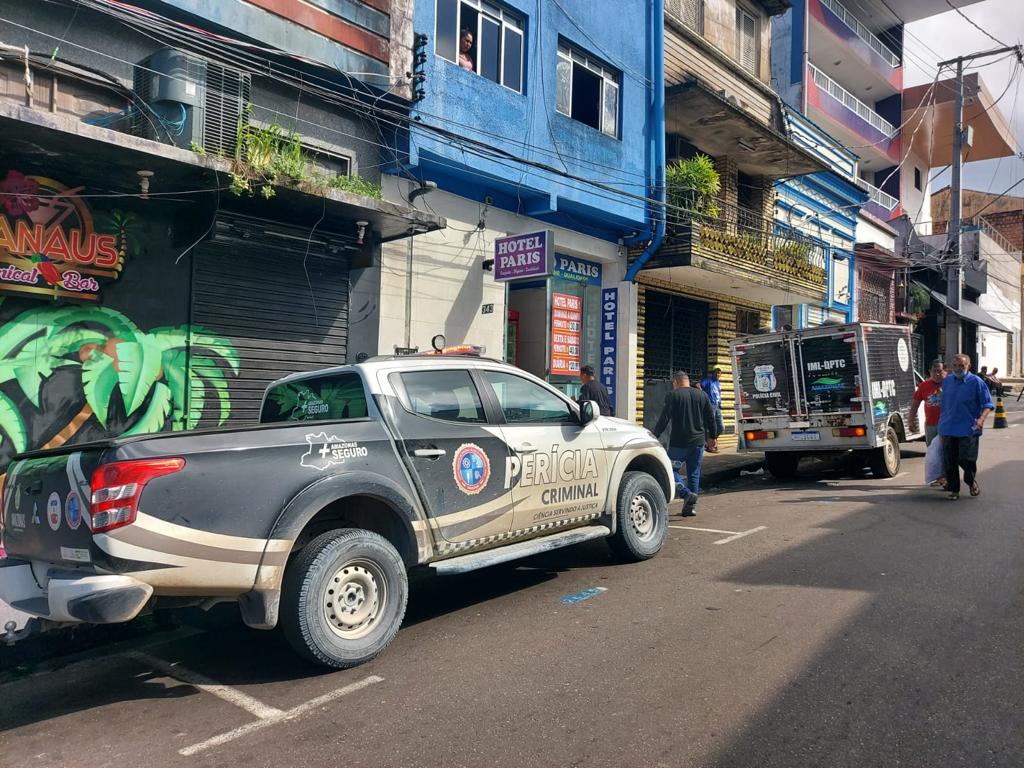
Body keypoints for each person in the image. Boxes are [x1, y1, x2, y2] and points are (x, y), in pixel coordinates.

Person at [652, 370, 720, 517]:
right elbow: (711, 418)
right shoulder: (702, 395)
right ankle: (691, 507)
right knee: (694, 473)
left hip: (679, 443)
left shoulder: (673, 395)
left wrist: (654, 435)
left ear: (675, 382)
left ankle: (685, 493)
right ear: (687, 381)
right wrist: (713, 437)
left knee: (669, 469)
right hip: (698, 443)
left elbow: (665, 418)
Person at [938, 354, 994, 501]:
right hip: (948, 426)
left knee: (966, 459)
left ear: (968, 366)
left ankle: (970, 482)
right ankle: (954, 490)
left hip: (969, 427)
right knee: (950, 459)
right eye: (955, 366)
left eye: (961, 366)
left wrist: (981, 420)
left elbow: (988, 404)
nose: (957, 368)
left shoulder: (976, 382)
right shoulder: (947, 381)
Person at [699, 365, 725, 451]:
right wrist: (704, 399)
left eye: (719, 372)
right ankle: (710, 444)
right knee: (710, 426)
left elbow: (719, 394)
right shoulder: (707, 380)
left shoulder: (718, 382)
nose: (718, 374)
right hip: (710, 406)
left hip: (717, 406)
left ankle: (711, 441)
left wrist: (720, 404)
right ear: (712, 373)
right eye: (716, 372)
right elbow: (699, 386)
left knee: (721, 427)